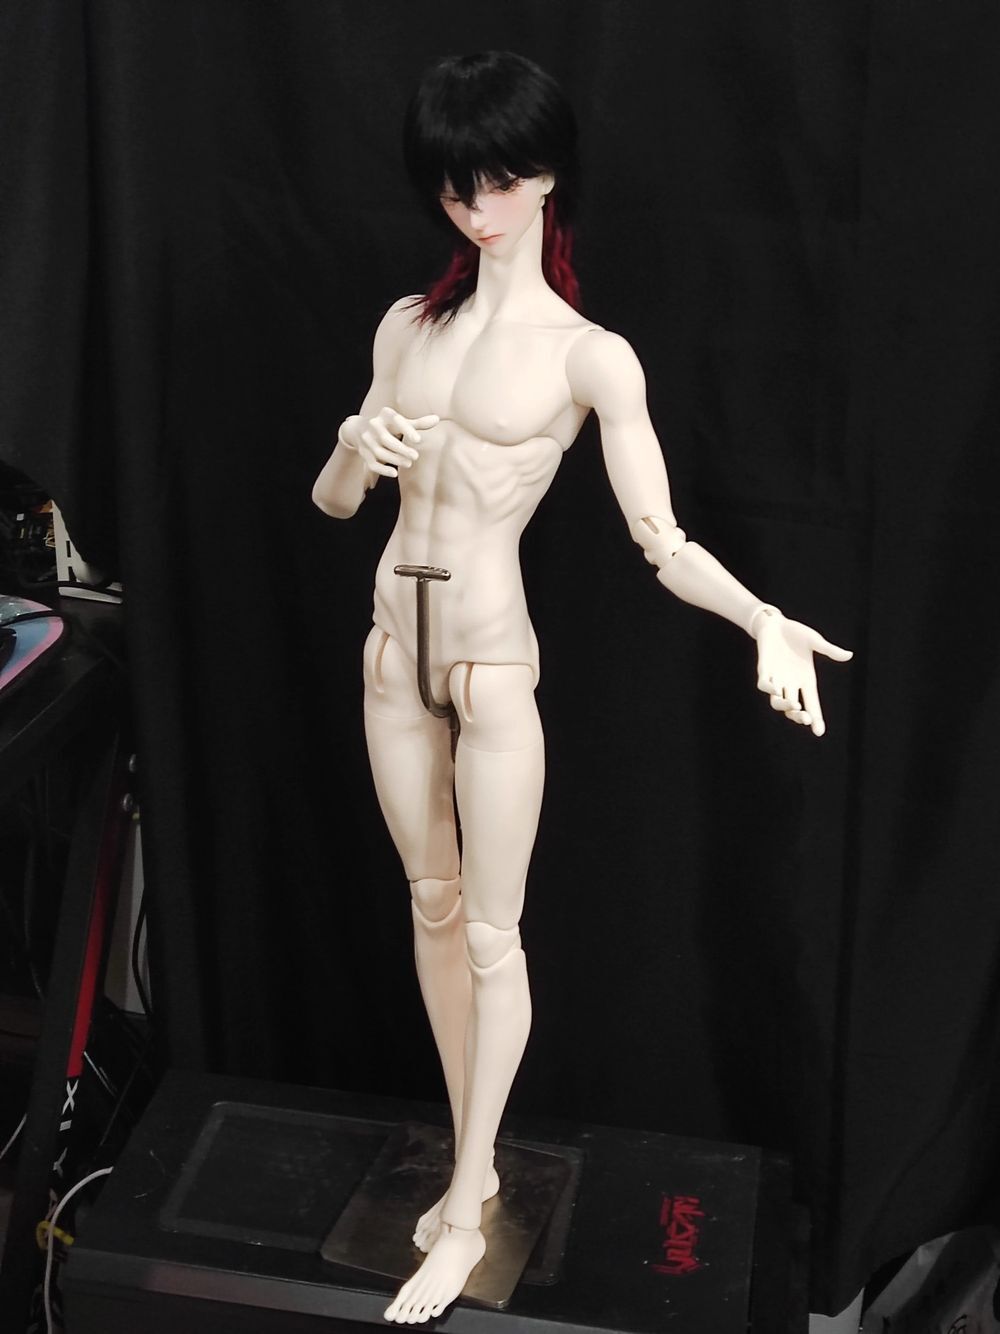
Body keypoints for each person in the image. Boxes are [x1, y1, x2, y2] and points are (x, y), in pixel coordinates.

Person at [312, 49, 852, 1324]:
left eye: (496, 180)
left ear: (546, 174)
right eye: (454, 186)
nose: (474, 208)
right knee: (432, 906)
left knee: (490, 933)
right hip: (391, 651)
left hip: (489, 662)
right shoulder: (404, 327)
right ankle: (473, 1164)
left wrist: (762, 617)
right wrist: (350, 444)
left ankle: (466, 1203)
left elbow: (660, 542)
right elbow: (336, 503)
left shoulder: (589, 358)